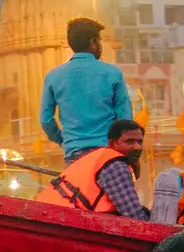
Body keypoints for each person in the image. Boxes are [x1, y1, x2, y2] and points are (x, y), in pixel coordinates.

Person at [40, 17, 133, 163]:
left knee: (77, 187)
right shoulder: (113, 73)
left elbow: (45, 120)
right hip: (108, 155)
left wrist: (64, 140)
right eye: (99, 41)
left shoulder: (53, 77)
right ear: (93, 42)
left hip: (74, 155)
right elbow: (126, 121)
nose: (100, 46)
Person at [35, 118, 150, 219]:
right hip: (61, 218)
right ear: (112, 143)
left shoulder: (98, 157)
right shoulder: (116, 165)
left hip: (46, 212)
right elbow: (133, 215)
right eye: (129, 142)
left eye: (140, 142)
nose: (137, 147)